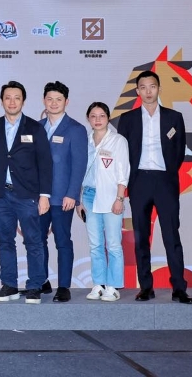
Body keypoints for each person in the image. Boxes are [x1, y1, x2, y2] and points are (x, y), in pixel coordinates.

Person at [117, 70, 192, 304]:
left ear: (159, 88)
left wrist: (167, 174)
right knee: (141, 237)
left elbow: (179, 151)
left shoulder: (174, 117)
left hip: (165, 182)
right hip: (139, 181)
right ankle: (146, 287)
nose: (148, 91)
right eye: (143, 87)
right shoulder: (127, 119)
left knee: (171, 235)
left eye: (152, 86)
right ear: (137, 91)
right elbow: (122, 154)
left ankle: (179, 288)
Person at [0, 81, 53, 304]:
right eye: (8, 97)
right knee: (5, 241)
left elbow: (45, 163)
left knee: (34, 241)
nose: (12, 102)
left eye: (16, 97)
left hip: (27, 195)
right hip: (1, 195)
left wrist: (44, 195)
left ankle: (35, 285)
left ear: (23, 101)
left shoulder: (34, 128)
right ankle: (9, 285)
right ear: (1, 101)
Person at [30, 81, 87, 302]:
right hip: (38, 197)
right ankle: (41, 281)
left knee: (62, 241)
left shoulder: (76, 129)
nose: (54, 103)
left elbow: (79, 165)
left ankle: (64, 286)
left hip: (63, 197)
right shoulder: (36, 127)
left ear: (67, 102)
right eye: (50, 99)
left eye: (59, 99)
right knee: (37, 240)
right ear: (43, 101)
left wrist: (72, 194)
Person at [80, 102, 130, 302]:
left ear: (108, 118)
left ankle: (113, 286)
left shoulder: (118, 141)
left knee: (114, 244)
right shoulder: (85, 141)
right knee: (95, 245)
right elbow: (80, 172)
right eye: (93, 116)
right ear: (88, 119)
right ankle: (98, 284)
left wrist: (119, 198)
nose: (98, 119)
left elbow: (123, 171)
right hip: (89, 196)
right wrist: (79, 200)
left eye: (102, 115)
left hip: (111, 197)